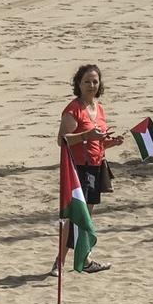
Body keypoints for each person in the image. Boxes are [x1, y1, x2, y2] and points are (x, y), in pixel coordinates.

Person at [57, 63, 121, 273]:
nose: (91, 85)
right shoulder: (73, 109)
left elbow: (98, 142)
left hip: (96, 166)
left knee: (87, 217)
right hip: (79, 169)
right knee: (76, 216)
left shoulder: (98, 108)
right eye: (87, 81)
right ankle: (60, 261)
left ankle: (85, 259)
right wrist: (86, 136)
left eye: (95, 81)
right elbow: (62, 140)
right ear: (78, 83)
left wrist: (111, 142)